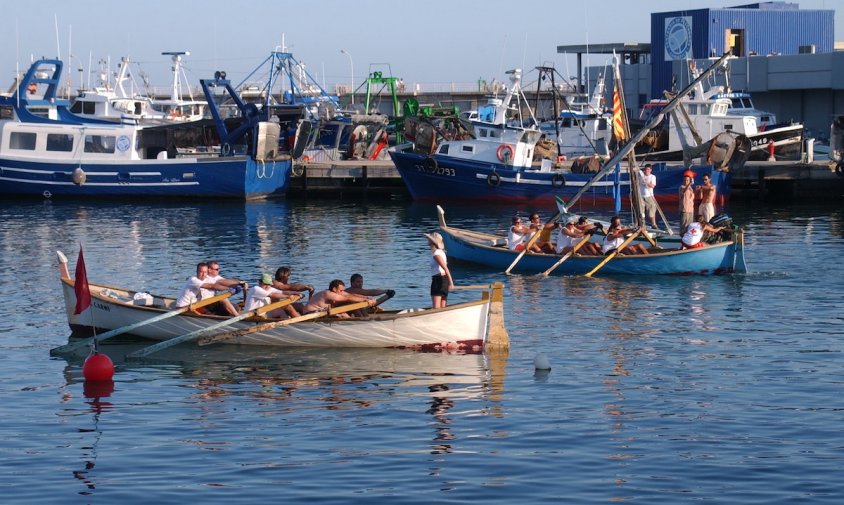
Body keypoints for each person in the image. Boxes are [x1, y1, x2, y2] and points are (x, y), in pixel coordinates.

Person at [175, 262, 241, 314]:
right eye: (201, 272)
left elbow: (221, 282)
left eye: (205, 272)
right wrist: (228, 288)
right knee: (211, 313)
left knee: (236, 308)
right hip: (183, 307)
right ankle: (237, 317)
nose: (203, 274)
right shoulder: (193, 280)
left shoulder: (206, 279)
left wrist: (239, 283)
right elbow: (211, 286)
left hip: (195, 305)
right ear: (197, 272)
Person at [302, 279, 376, 317]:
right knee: (343, 312)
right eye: (341, 290)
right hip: (310, 313)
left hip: (323, 311)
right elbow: (348, 298)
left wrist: (367, 298)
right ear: (334, 289)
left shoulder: (336, 292)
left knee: (354, 302)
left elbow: (350, 295)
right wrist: (365, 300)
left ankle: (365, 319)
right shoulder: (328, 293)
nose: (342, 292)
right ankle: (361, 323)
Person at [425, 231, 454, 308]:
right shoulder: (441, 252)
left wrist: (451, 283)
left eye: (429, 239)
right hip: (443, 280)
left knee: (436, 308)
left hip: (438, 281)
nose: (427, 240)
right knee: (442, 307)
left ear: (432, 242)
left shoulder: (436, 254)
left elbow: (446, 268)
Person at [639, 164, 659, 229]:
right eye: (645, 169)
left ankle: (654, 224)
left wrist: (646, 182)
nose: (646, 171)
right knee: (641, 211)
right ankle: (642, 224)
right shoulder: (641, 176)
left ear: (650, 170)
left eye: (648, 169)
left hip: (649, 196)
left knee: (651, 210)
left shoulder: (652, 177)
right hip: (641, 196)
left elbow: (652, 186)